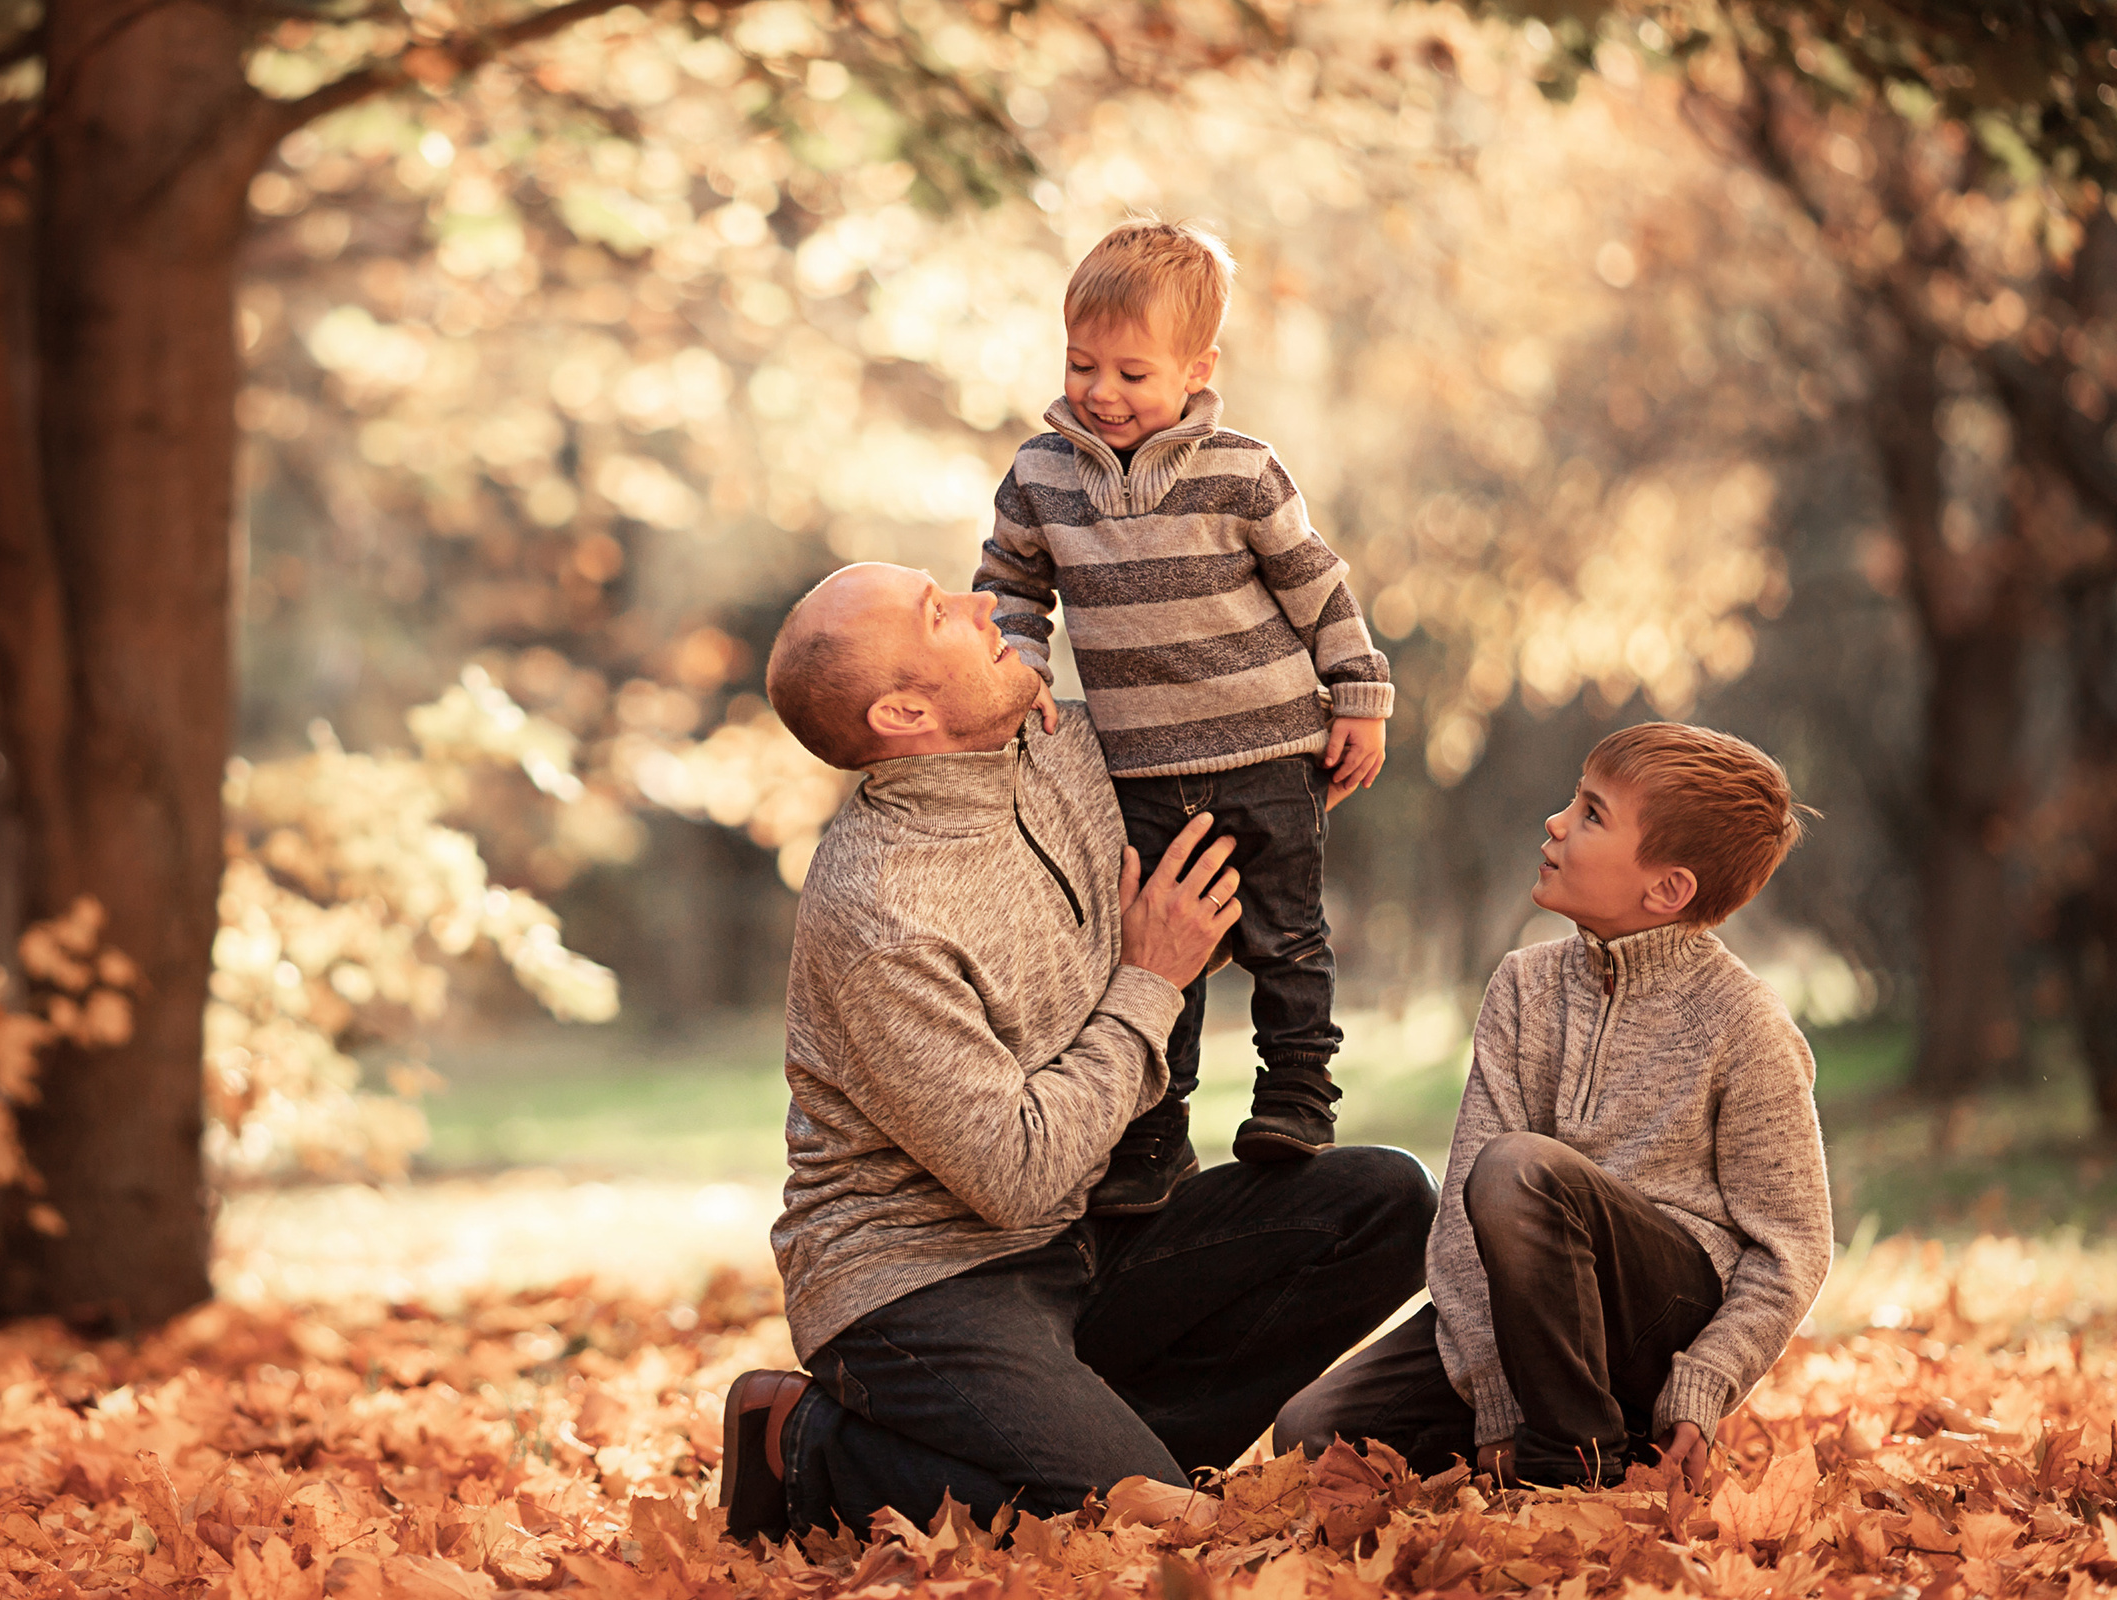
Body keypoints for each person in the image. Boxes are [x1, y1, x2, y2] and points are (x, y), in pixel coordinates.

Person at [718, 561, 1434, 1541]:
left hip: (1093, 1228)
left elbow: (1230, 781)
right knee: (1157, 1528)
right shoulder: (881, 912)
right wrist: (1154, 979)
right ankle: (812, 1447)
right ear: (901, 710)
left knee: (1383, 1205)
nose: (985, 604)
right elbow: (1011, 1175)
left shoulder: (1068, 746)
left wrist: (1334, 721)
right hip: (922, 1280)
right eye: (943, 613)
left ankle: (1104, 1453)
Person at [1274, 723, 1833, 1489]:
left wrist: (1702, 1386)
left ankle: (1576, 1466)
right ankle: (1569, 1433)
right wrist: (1496, 1402)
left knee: (1517, 1171)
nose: (1557, 821)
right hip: (1521, 1317)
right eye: (1575, 797)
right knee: (1310, 1437)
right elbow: (1465, 1223)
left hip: (1653, 1325)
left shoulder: (1746, 1027)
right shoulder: (1522, 987)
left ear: (1667, 889)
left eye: (1593, 814)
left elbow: (1791, 1248)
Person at [974, 219, 1393, 1215]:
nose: (1101, 392)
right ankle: (1155, 1137)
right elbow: (1009, 593)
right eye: (1082, 365)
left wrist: (1360, 694)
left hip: (1269, 747)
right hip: (1140, 767)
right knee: (1163, 946)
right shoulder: (1040, 478)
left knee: (1284, 935)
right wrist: (1021, 675)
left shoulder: (1241, 471)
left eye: (1131, 372)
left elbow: (1316, 586)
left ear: (1197, 368)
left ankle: (1297, 1095)